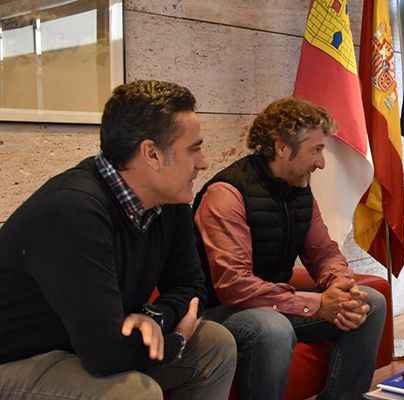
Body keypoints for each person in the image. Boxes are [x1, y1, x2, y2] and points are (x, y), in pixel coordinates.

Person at [0, 80, 237, 399]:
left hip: (82, 347)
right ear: (152, 154)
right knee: (134, 393)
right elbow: (106, 355)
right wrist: (176, 339)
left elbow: (191, 287)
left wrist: (155, 317)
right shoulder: (73, 210)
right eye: (194, 148)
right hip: (16, 359)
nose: (204, 161)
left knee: (216, 345)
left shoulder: (170, 202)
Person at [193, 97, 386, 400]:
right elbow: (234, 286)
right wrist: (317, 304)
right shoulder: (227, 194)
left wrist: (340, 285)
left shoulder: (299, 190)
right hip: (218, 310)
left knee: (369, 303)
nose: (321, 163)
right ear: (282, 147)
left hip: (272, 301)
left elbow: (323, 253)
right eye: (316, 150)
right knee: (272, 328)